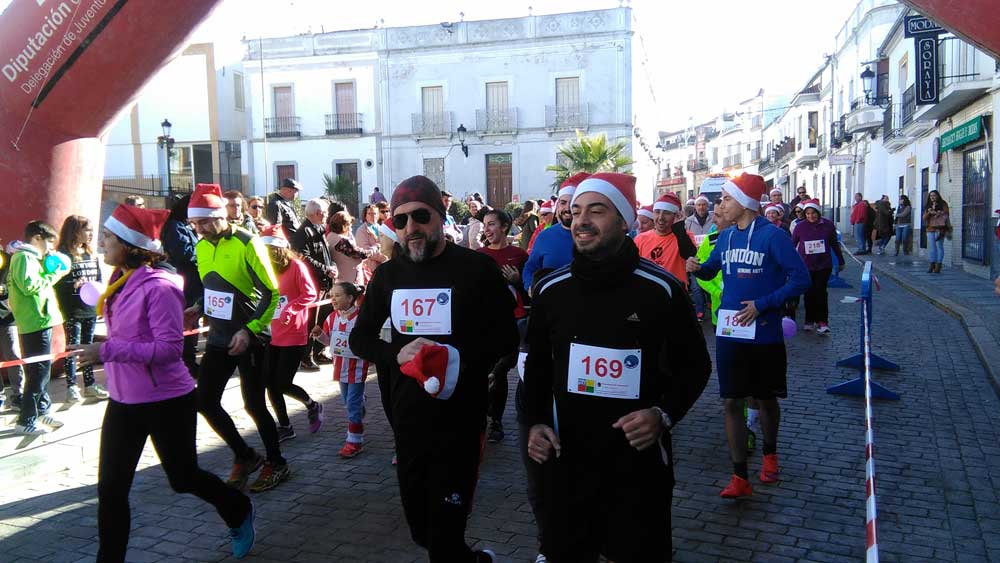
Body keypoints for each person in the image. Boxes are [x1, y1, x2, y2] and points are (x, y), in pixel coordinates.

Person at [524, 172, 711, 562]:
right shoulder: (550, 290)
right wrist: (536, 422)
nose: (581, 220)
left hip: (636, 468)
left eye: (597, 211)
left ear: (625, 221)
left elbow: (694, 366)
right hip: (567, 466)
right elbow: (537, 368)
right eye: (575, 211)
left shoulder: (660, 290)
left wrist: (663, 414)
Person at [71, 204, 256, 561]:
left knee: (183, 478)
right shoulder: (119, 280)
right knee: (111, 490)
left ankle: (238, 509)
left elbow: (169, 349)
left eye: (108, 237)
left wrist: (106, 351)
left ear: (128, 244)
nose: (102, 243)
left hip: (167, 401)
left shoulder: (159, 287)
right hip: (124, 402)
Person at [349, 175, 518, 562]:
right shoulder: (388, 276)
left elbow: (507, 341)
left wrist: (454, 355)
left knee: (442, 539)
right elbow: (361, 340)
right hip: (406, 418)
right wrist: (399, 353)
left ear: (440, 217)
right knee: (422, 532)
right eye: (400, 221)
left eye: (421, 216)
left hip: (460, 420)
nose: (411, 228)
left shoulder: (477, 269)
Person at [686, 173, 810, 499]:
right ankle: (739, 475)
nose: (720, 204)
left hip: (764, 333)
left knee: (765, 399)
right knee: (731, 401)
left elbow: (801, 279)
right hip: (729, 331)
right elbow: (712, 269)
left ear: (744, 203)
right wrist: (697, 267)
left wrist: (763, 305)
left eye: (726, 198)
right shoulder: (724, 237)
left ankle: (770, 454)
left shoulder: (774, 237)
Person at [185, 183, 289, 493]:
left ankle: (277, 462)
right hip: (219, 337)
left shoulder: (247, 242)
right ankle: (245, 455)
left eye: (205, 221)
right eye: (195, 223)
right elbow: (213, 285)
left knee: (254, 405)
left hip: (251, 336)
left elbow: (272, 293)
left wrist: (250, 330)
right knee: (204, 401)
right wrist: (198, 306)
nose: (200, 228)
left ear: (221, 215)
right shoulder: (201, 246)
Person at [262, 225, 323, 442]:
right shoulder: (265, 268)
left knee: (283, 382)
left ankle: (312, 405)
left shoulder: (296, 266)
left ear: (278, 250)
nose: (265, 255)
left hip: (293, 332)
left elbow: (310, 294)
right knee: (270, 382)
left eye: (268, 251)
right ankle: (286, 426)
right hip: (272, 332)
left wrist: (291, 308)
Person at [9, 220, 70, 435]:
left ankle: (42, 410)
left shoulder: (32, 258)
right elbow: (29, 286)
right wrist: (54, 274)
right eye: (48, 243)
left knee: (41, 371)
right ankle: (25, 420)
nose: (50, 249)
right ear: (36, 238)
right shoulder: (23, 257)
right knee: (37, 373)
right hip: (34, 322)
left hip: (42, 320)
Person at [477, 209, 529, 444]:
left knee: (500, 371)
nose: (486, 230)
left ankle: (496, 421)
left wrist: (517, 282)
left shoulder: (519, 254)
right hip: (485, 323)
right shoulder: (478, 256)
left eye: (491, 225)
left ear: (505, 227)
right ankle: (486, 417)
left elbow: (529, 292)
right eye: (485, 225)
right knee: (486, 371)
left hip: (513, 321)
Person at [312, 281, 371, 458]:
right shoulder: (331, 318)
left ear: (350, 298)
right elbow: (329, 341)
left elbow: (369, 340)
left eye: (338, 295)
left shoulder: (362, 318)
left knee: (351, 406)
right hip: (339, 368)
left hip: (358, 368)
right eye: (331, 295)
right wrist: (319, 335)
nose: (333, 299)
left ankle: (354, 441)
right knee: (348, 403)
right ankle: (360, 403)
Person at [55, 215, 108, 401]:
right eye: (87, 230)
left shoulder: (91, 254)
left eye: (92, 230)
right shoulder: (63, 255)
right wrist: (74, 283)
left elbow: (99, 279)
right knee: (74, 346)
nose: (91, 234)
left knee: (88, 346)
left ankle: (90, 384)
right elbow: (57, 282)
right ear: (75, 232)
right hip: (73, 309)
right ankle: (71, 386)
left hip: (91, 308)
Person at [523, 173, 589, 291]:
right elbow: (530, 267)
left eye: (573, 202)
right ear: (558, 206)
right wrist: (531, 287)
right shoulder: (544, 236)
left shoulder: (598, 237)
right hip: (550, 305)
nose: (567, 208)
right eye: (563, 202)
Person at [161, 195, 202, 380]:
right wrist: (203, 252)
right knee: (187, 323)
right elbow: (184, 252)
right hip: (185, 281)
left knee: (192, 324)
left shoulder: (185, 226)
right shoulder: (174, 226)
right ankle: (187, 363)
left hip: (193, 281)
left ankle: (190, 360)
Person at [292, 198, 335, 372]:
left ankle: (318, 351)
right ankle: (306, 356)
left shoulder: (318, 229)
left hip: (324, 283)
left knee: (322, 319)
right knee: (311, 321)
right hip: (313, 285)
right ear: (318, 214)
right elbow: (304, 259)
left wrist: (330, 269)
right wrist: (326, 269)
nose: (326, 216)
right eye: (325, 213)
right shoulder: (303, 232)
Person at [791, 200, 845, 334]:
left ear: (818, 213)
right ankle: (809, 320)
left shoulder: (827, 225)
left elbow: (834, 243)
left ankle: (822, 321)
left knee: (820, 292)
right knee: (809, 293)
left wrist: (840, 260)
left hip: (823, 265)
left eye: (813, 213)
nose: (811, 216)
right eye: (808, 214)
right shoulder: (800, 227)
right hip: (806, 265)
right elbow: (792, 245)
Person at [634, 192, 698, 284]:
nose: (660, 217)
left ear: (677, 215)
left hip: (675, 294)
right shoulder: (640, 239)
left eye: (666, 213)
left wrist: (679, 226)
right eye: (657, 212)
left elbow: (688, 254)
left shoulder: (684, 236)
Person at [0, 241, 24, 408]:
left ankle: (19, 395)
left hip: (7, 316)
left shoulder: (8, 260)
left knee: (14, 355)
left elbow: (14, 286)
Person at [695, 206, 729, 325]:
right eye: (714, 215)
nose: (713, 220)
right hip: (719, 314)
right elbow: (700, 274)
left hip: (749, 314)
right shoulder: (710, 240)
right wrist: (717, 292)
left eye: (718, 216)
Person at [685, 195, 715, 321]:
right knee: (696, 286)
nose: (701, 207)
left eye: (704, 205)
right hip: (695, 257)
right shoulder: (688, 221)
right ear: (695, 207)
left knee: (710, 283)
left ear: (707, 206)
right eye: (699, 205)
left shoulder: (713, 218)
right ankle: (699, 311)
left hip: (710, 257)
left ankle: (712, 304)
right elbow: (685, 238)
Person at [327, 210, 376, 286]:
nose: (351, 228)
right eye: (349, 225)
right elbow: (361, 254)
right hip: (347, 284)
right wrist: (374, 248)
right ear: (344, 225)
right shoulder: (341, 241)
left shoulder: (331, 236)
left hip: (343, 281)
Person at [356, 204, 387, 283]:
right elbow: (365, 250)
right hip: (370, 268)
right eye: (370, 213)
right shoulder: (362, 230)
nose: (373, 216)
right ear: (365, 215)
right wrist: (384, 258)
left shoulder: (381, 228)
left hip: (383, 267)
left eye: (375, 213)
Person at [923, 190, 950, 273]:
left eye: (934, 195)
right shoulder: (928, 205)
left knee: (939, 247)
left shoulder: (943, 204)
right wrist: (929, 212)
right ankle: (932, 265)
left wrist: (939, 213)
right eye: (931, 196)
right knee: (932, 248)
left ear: (938, 196)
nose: (932, 197)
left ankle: (939, 265)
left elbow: (946, 215)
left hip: (940, 228)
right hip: (930, 228)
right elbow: (924, 218)